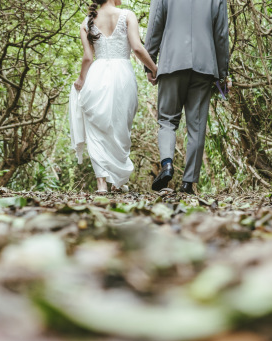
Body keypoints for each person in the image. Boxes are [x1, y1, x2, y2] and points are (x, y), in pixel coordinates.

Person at [69, 0, 159, 193]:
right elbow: (137, 48)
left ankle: (101, 183)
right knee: (121, 127)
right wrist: (154, 68)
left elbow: (88, 58)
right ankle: (117, 183)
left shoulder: (86, 22)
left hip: (96, 76)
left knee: (96, 130)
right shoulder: (127, 15)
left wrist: (81, 79)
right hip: (122, 76)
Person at [145, 0, 231, 195]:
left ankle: (167, 164)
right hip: (204, 66)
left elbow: (155, 25)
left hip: (172, 63)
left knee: (167, 120)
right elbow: (221, 35)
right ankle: (188, 182)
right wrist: (223, 72)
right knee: (197, 126)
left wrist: (149, 63)